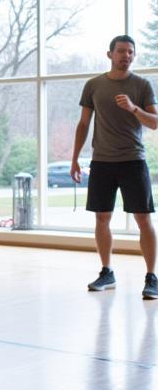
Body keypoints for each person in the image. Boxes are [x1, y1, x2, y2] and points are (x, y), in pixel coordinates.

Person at [71, 35, 158, 299]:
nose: (126, 56)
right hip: (102, 161)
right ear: (110, 54)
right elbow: (84, 124)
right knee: (101, 218)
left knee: (143, 219)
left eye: (130, 52)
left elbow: (154, 122)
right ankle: (106, 271)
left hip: (133, 160)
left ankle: (151, 277)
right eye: (121, 51)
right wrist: (74, 158)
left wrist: (133, 109)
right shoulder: (93, 85)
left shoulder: (142, 85)